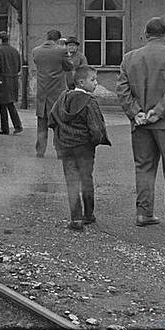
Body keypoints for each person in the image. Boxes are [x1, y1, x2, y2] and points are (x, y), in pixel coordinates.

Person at [116, 17, 165, 231]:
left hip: (140, 123)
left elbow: (122, 89)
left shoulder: (129, 58)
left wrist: (136, 113)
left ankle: (143, 213)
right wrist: (158, 111)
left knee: (144, 168)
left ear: (145, 34)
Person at [49, 65, 111, 230]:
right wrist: (95, 141)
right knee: (86, 180)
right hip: (84, 148)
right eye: (93, 80)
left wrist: (62, 136)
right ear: (82, 82)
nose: (96, 83)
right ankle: (88, 215)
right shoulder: (90, 102)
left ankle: (75, 218)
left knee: (71, 181)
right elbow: (97, 128)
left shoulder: (63, 98)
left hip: (65, 146)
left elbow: (51, 120)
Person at [32, 29, 73, 157]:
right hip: (57, 93)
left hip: (42, 92)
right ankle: (60, 152)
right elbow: (69, 67)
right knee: (59, 124)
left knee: (42, 124)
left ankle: (40, 151)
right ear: (58, 39)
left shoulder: (36, 51)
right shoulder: (61, 51)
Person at [0, 31, 23, 135]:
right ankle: (17, 125)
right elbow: (19, 67)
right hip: (13, 79)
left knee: (3, 105)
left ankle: (5, 127)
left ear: (0, 40)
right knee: (10, 104)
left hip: (3, 80)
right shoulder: (15, 51)